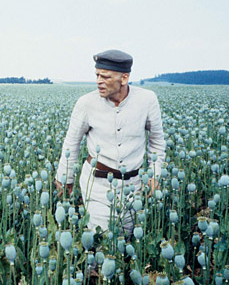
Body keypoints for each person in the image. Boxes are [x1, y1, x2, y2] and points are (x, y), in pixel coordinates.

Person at [55, 49, 166, 233]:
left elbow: (156, 141)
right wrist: (65, 178)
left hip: (134, 186)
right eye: (97, 75)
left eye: (105, 77)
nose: (99, 81)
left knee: (128, 241)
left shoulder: (147, 100)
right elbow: (71, 143)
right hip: (97, 186)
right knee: (103, 242)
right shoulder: (86, 103)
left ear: (124, 78)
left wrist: (154, 174)